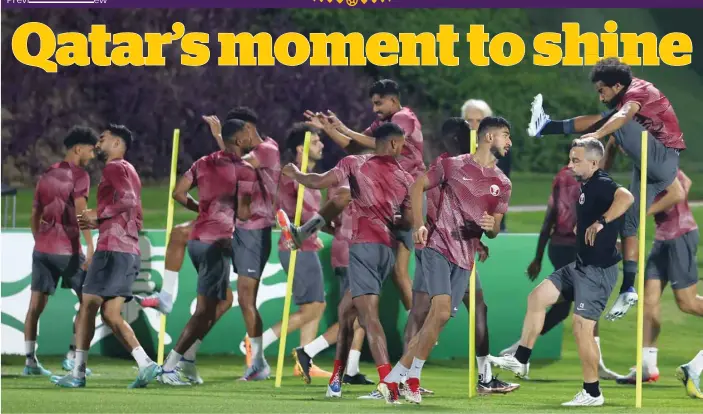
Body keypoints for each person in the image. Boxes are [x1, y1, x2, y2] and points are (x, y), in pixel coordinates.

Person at [526, 57, 685, 321]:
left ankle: (546, 126)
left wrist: (595, 135)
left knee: (612, 120)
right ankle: (628, 287)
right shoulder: (627, 106)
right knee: (629, 225)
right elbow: (613, 141)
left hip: (662, 156)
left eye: (602, 90)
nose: (600, 96)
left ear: (618, 85)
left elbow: (622, 117)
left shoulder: (636, 92)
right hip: (650, 166)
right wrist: (600, 175)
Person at [136, 107, 280, 382]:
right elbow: (234, 167)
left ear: (249, 129)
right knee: (216, 300)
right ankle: (180, 357)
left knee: (240, 298)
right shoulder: (236, 162)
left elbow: (236, 162)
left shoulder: (267, 149)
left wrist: (218, 140)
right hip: (233, 227)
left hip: (253, 231)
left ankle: (257, 362)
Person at [491, 138, 634, 407]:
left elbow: (626, 196)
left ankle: (592, 393)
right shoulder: (586, 185)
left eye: (576, 160)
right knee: (537, 297)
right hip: (579, 266)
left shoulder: (602, 182)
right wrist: (585, 226)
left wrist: (602, 222)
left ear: (593, 162)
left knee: (582, 329)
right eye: (570, 158)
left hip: (598, 272)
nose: (570, 164)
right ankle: (521, 359)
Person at [277, 122, 413, 403]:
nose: (404, 149)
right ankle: (337, 380)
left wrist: (295, 173)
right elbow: (408, 220)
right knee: (346, 313)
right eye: (401, 144)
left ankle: (389, 386)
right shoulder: (403, 176)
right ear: (391, 144)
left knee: (368, 319)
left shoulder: (354, 164)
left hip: (363, 248)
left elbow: (318, 181)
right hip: (385, 251)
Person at [385, 116, 515, 404]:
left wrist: (490, 227)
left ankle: (397, 378)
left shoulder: (502, 183)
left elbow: (493, 228)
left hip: (465, 258)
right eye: (505, 135)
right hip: (436, 246)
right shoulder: (452, 165)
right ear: (488, 137)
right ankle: (411, 380)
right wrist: (419, 224)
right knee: (438, 311)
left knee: (438, 317)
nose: (509, 142)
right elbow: (418, 186)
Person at [53, 124, 162, 389]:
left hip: (113, 248)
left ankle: (78, 372)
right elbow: (135, 211)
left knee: (88, 304)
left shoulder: (114, 167)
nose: (98, 143)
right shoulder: (131, 171)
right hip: (127, 249)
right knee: (111, 315)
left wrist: (97, 215)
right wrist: (101, 220)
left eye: (103, 139)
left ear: (117, 144)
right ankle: (146, 364)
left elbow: (126, 201)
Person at [305, 78, 423, 313]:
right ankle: (307, 230)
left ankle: (420, 329)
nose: (375, 109)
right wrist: (330, 129)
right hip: (390, 194)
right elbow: (354, 146)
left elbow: (378, 144)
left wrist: (344, 127)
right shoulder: (384, 121)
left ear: (393, 100)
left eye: (379, 104)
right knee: (393, 271)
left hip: (411, 195)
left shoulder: (403, 118)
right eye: (373, 104)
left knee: (399, 272)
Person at [158, 119, 257, 385]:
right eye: (247, 134)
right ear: (238, 140)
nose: (251, 138)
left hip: (197, 240)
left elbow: (178, 194)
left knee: (224, 300)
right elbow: (245, 213)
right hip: (218, 243)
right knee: (204, 311)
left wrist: (201, 210)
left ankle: (189, 358)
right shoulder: (245, 170)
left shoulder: (202, 162)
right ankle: (170, 367)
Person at [500, 162, 618, 380]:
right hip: (571, 248)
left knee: (566, 308)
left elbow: (550, 217)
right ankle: (519, 352)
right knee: (581, 306)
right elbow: (552, 216)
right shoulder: (586, 181)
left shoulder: (568, 177)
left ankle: (520, 353)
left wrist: (539, 255)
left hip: (562, 247)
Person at [236, 123, 335, 380]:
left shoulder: (310, 177)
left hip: (307, 245)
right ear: (301, 147)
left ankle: (305, 361)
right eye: (315, 142)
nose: (321, 145)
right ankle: (255, 341)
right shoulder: (292, 176)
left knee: (316, 306)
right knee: (313, 308)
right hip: (295, 247)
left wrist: (315, 233)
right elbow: (288, 211)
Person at [292, 154, 372, 386]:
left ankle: (352, 370)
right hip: (354, 252)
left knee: (362, 315)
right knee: (355, 313)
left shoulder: (339, 180)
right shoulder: (357, 180)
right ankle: (308, 351)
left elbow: (328, 217)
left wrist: (338, 231)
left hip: (345, 249)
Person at [24, 126, 98, 377]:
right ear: (78, 148)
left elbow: (34, 213)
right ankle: (72, 358)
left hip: (43, 248)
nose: (93, 153)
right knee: (89, 303)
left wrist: (39, 240)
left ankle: (30, 363)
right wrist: (90, 243)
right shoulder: (80, 176)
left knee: (35, 306)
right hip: (68, 249)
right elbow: (80, 213)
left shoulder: (47, 173)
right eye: (90, 149)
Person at [615, 169, 701, 384]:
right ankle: (646, 367)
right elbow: (686, 180)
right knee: (648, 301)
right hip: (662, 238)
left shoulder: (656, 159)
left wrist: (644, 212)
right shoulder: (644, 160)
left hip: (680, 235)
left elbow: (678, 193)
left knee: (688, 303)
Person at [461, 99, 511, 231]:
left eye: (479, 120)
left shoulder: (500, 148)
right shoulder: (456, 148)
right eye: (469, 120)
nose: (473, 125)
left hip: (490, 221)